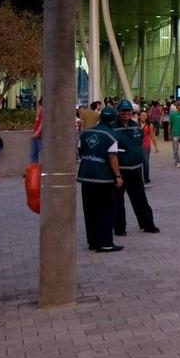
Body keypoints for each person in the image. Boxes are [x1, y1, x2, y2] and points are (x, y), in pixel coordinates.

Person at [77, 106, 124, 253]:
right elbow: (112, 157)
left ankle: (92, 241)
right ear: (113, 119)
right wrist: (117, 176)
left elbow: (80, 150)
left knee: (89, 210)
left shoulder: (85, 134)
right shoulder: (111, 136)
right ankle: (105, 242)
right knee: (106, 210)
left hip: (86, 176)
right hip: (103, 178)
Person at [112, 101, 158, 234]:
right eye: (123, 111)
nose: (126, 113)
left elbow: (140, 144)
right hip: (121, 170)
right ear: (118, 112)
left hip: (136, 169)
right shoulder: (113, 128)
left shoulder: (136, 127)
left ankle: (147, 224)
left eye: (128, 111)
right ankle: (120, 228)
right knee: (118, 201)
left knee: (140, 198)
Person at [29, 100, 44, 165]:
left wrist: (37, 132)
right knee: (33, 154)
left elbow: (42, 123)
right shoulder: (39, 112)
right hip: (36, 136)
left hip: (39, 136)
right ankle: (34, 171)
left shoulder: (43, 112)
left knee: (39, 154)